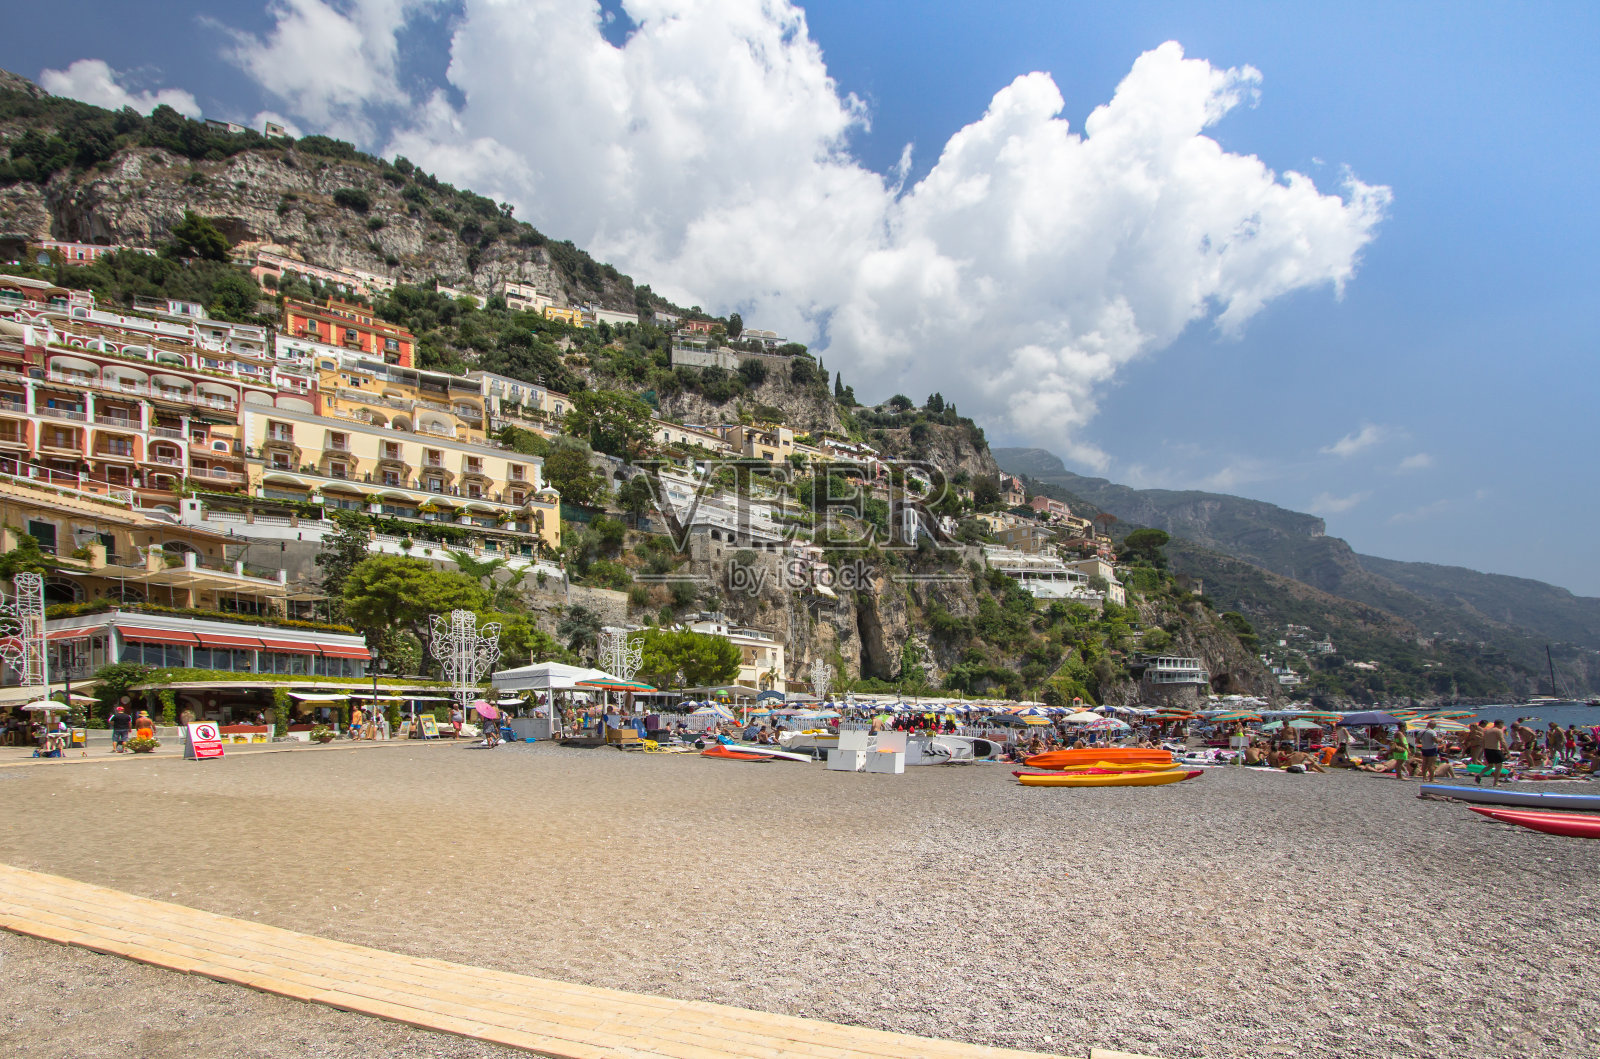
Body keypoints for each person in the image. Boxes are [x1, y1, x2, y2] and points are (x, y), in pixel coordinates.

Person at [1479, 720, 1510, 785]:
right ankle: (1495, 782)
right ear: (1500, 724)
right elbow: (1502, 741)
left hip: (1487, 750)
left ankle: (1479, 775)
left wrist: (1483, 750)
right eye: (1502, 725)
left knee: (1490, 765)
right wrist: (1508, 751)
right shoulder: (1498, 730)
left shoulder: (1487, 731)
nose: (1502, 727)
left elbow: (1483, 741)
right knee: (1499, 766)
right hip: (1495, 750)